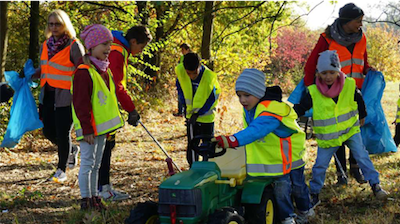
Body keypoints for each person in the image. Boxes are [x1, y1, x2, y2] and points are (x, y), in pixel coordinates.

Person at [213, 69, 312, 224]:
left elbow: (256, 131)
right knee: (281, 189)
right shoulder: (252, 109)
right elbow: (250, 130)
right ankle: (287, 217)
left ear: (259, 93)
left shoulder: (270, 110)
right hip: (274, 158)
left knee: (296, 187)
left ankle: (305, 211)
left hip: (291, 155)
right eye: (239, 95)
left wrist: (232, 140)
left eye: (247, 95)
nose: (242, 100)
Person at [294, 50, 388, 208]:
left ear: (338, 71)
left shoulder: (349, 84)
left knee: (362, 156)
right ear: (319, 73)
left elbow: (359, 100)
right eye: (324, 73)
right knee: (320, 166)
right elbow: (301, 107)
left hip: (350, 130)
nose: (329, 76)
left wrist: (363, 115)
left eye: (332, 72)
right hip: (328, 137)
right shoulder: (313, 92)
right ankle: (314, 193)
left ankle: (375, 185)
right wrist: (288, 113)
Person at [303, 3, 374, 185]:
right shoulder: (327, 38)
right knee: (336, 134)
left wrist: (369, 70)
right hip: (331, 93)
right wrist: (312, 90)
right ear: (347, 21)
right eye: (358, 20)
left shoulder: (361, 38)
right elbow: (312, 65)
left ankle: (356, 169)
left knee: (354, 132)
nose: (360, 24)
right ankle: (342, 173)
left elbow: (363, 61)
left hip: (353, 91)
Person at [72, 24, 124, 210]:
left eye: (110, 44)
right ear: (92, 47)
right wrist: (86, 129)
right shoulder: (84, 72)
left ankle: (95, 197)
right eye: (104, 44)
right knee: (87, 163)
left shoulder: (103, 69)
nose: (108, 48)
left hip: (101, 129)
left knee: (97, 164)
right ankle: (86, 200)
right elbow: (81, 104)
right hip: (90, 129)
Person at [97, 25, 153, 201]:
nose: (141, 51)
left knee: (106, 147)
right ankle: (103, 190)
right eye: (141, 47)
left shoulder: (115, 46)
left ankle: (103, 188)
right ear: (134, 41)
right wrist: (131, 109)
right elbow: (116, 85)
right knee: (105, 148)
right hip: (103, 108)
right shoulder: (117, 51)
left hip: (103, 105)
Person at [36, 9, 84, 182]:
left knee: (63, 132)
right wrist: (30, 74)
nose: (54, 27)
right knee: (48, 131)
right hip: (47, 93)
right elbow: (45, 68)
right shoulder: (45, 45)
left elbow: (82, 69)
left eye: (57, 24)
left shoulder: (73, 45)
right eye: (51, 24)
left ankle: (61, 170)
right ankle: (71, 150)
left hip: (66, 95)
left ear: (65, 25)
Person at [175, 52, 220, 166]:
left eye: (194, 73)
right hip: (191, 117)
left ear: (199, 66)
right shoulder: (181, 71)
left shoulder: (209, 77)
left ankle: (207, 168)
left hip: (206, 117)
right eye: (188, 73)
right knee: (192, 144)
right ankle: (193, 168)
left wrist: (199, 113)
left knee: (208, 146)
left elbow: (212, 98)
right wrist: (184, 105)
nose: (191, 76)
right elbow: (180, 88)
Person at [173, 43, 192, 117]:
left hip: (187, 80)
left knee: (186, 96)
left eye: (183, 49)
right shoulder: (182, 58)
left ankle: (186, 112)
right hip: (180, 79)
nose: (182, 51)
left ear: (187, 49)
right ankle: (180, 111)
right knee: (180, 95)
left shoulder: (192, 57)